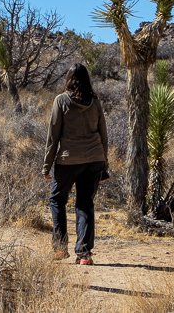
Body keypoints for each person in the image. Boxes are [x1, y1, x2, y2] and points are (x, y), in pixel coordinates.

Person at [43, 62, 109, 265]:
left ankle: (61, 248)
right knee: (85, 204)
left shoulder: (61, 101)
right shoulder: (95, 102)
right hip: (94, 160)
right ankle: (84, 253)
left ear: (69, 79)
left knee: (57, 200)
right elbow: (103, 134)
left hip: (68, 159)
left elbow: (53, 136)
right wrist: (104, 164)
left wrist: (47, 166)